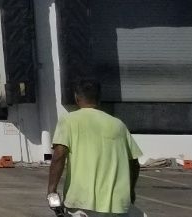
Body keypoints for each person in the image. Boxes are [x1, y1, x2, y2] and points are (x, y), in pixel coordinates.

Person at [48, 78, 142, 217]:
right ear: (99, 99)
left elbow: (59, 155)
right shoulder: (118, 125)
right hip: (117, 205)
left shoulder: (68, 120)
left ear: (76, 97)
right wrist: (131, 191)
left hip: (81, 202)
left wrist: (52, 189)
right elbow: (134, 164)